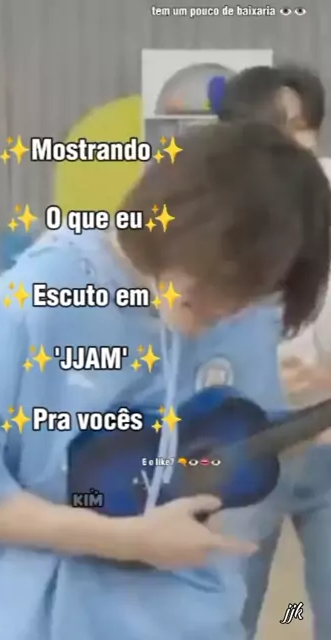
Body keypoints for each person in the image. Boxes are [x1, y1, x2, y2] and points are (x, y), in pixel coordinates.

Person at [0, 121, 331, 640]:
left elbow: (218, 458)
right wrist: (129, 540)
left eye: (257, 293)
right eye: (221, 287)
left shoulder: (248, 311)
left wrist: (301, 431)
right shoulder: (37, 303)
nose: (230, 309)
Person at [217, 64, 331, 639]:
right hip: (241, 444)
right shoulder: (209, 211)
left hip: (326, 435)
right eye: (280, 127)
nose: (296, 141)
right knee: (223, 615)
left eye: (302, 126)